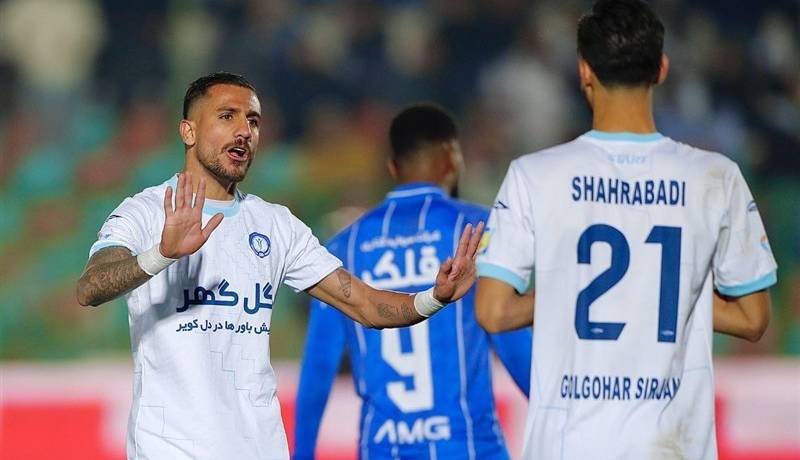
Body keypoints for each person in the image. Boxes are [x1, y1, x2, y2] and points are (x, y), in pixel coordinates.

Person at [75, 72, 484, 460]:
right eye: (227, 116)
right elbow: (90, 288)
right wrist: (161, 254)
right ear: (189, 131)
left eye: (253, 121)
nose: (244, 131)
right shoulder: (146, 212)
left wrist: (434, 298)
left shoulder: (275, 225)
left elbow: (365, 304)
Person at [474, 1, 777, 459]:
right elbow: (753, 319)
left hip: (569, 446)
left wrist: (566, 289)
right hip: (671, 446)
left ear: (584, 71)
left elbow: (494, 312)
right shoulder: (715, 177)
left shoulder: (533, 175)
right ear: (662, 68)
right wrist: (659, 291)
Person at [293, 104, 532, 460]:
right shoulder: (477, 232)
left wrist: (302, 454)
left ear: (393, 168)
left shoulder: (345, 246)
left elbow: (319, 364)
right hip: (469, 448)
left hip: (383, 449)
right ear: (452, 160)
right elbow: (511, 341)